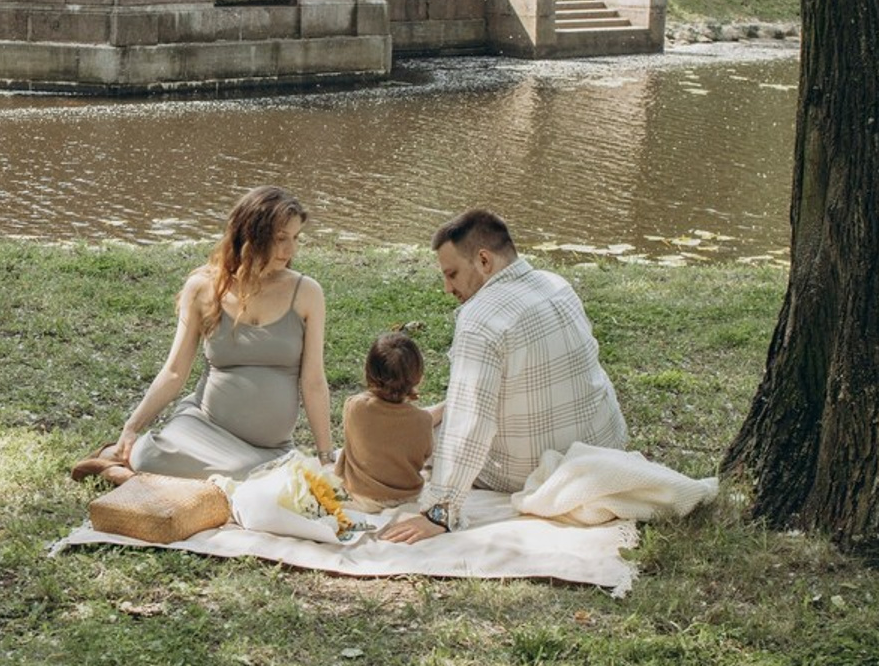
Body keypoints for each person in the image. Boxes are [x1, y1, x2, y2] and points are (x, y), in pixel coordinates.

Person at [381, 208, 627, 544]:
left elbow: (471, 423)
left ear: (484, 261)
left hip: (533, 469)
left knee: (412, 436)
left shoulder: (480, 319)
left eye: (452, 274)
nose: (446, 287)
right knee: (435, 418)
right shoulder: (557, 285)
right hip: (601, 445)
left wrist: (440, 511)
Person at [70, 185, 333, 484]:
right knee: (151, 457)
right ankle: (127, 457)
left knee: (261, 478)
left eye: (296, 238)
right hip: (204, 424)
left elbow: (313, 381)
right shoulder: (203, 287)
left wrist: (326, 457)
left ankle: (122, 473)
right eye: (280, 239)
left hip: (266, 448)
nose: (290, 250)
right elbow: (174, 371)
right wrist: (131, 426)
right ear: (251, 235)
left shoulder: (307, 292)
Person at [335, 331, 434, 512]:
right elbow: (425, 454)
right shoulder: (423, 420)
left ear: (368, 371)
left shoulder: (355, 407)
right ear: (418, 377)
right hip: (407, 499)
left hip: (361, 498)